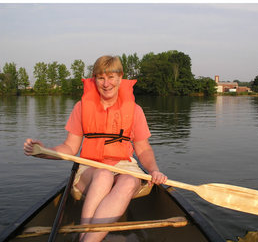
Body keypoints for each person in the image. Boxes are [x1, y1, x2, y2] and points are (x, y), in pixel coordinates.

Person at [23, 55, 167, 242]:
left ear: (120, 78)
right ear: (94, 79)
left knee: (130, 181)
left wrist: (154, 170)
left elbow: (143, 150)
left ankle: (85, 239)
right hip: (90, 167)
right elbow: (69, 147)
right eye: (101, 78)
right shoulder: (81, 108)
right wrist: (44, 151)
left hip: (125, 166)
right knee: (103, 175)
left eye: (111, 77)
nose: (106, 83)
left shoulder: (135, 110)